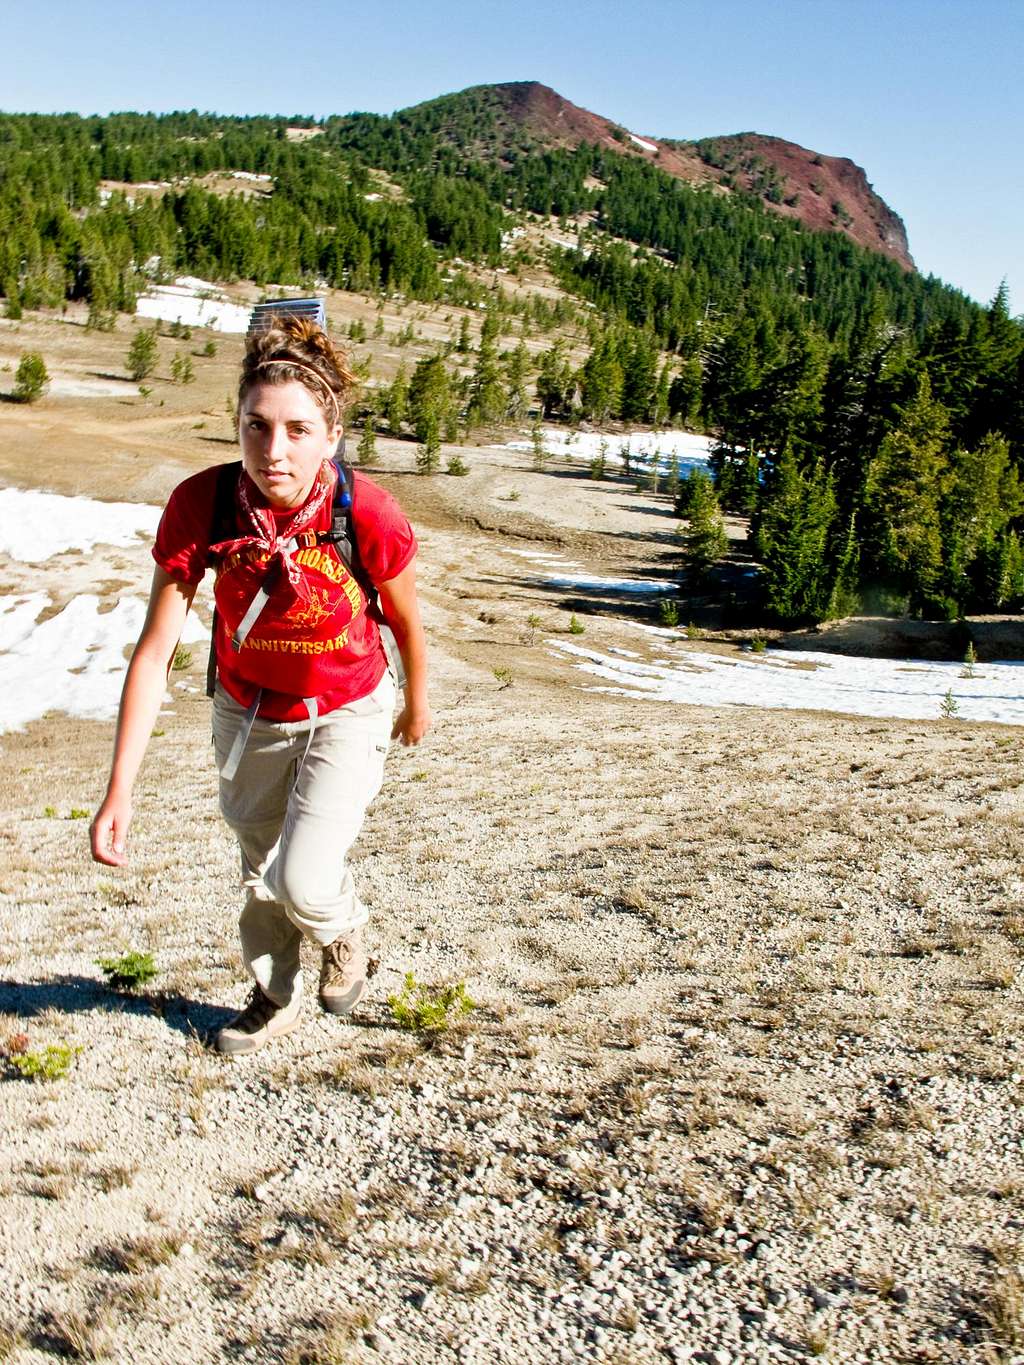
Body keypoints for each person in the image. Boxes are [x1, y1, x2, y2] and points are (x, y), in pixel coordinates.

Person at [90, 314, 430, 1055]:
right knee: (258, 869)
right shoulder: (202, 505)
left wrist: (417, 699)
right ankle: (275, 992)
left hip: (346, 705)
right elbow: (154, 651)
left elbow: (404, 619)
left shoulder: (363, 512)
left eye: (298, 430)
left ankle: (342, 929)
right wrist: (120, 788)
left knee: (304, 875)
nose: (274, 451)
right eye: (257, 426)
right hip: (247, 713)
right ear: (236, 423)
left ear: (331, 433)